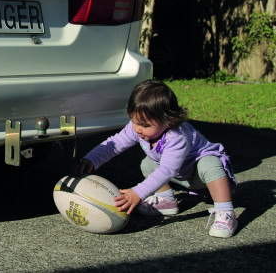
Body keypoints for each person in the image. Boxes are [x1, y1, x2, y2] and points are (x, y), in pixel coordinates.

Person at [72, 79, 238, 238]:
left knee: (210, 164)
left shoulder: (177, 136)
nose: (137, 129)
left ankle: (225, 211)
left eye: (144, 125)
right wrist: (91, 159)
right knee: (148, 163)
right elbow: (115, 143)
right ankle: (167, 201)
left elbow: (168, 170)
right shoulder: (138, 127)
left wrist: (137, 192)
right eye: (134, 121)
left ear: (168, 120)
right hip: (179, 174)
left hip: (201, 176)